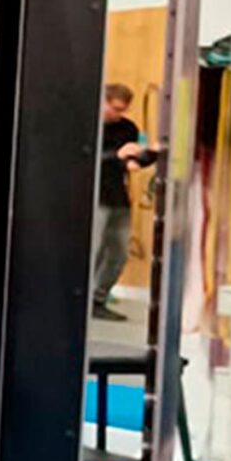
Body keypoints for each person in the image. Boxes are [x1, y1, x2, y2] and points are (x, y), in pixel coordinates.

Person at [94, 82, 157, 317]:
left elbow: (132, 161)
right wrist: (116, 156)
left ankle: (98, 298)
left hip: (118, 196)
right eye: (114, 108)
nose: (117, 114)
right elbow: (87, 158)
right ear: (104, 101)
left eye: (122, 110)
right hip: (95, 195)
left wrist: (149, 154)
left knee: (119, 252)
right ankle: (82, 299)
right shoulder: (89, 123)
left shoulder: (127, 128)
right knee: (94, 249)